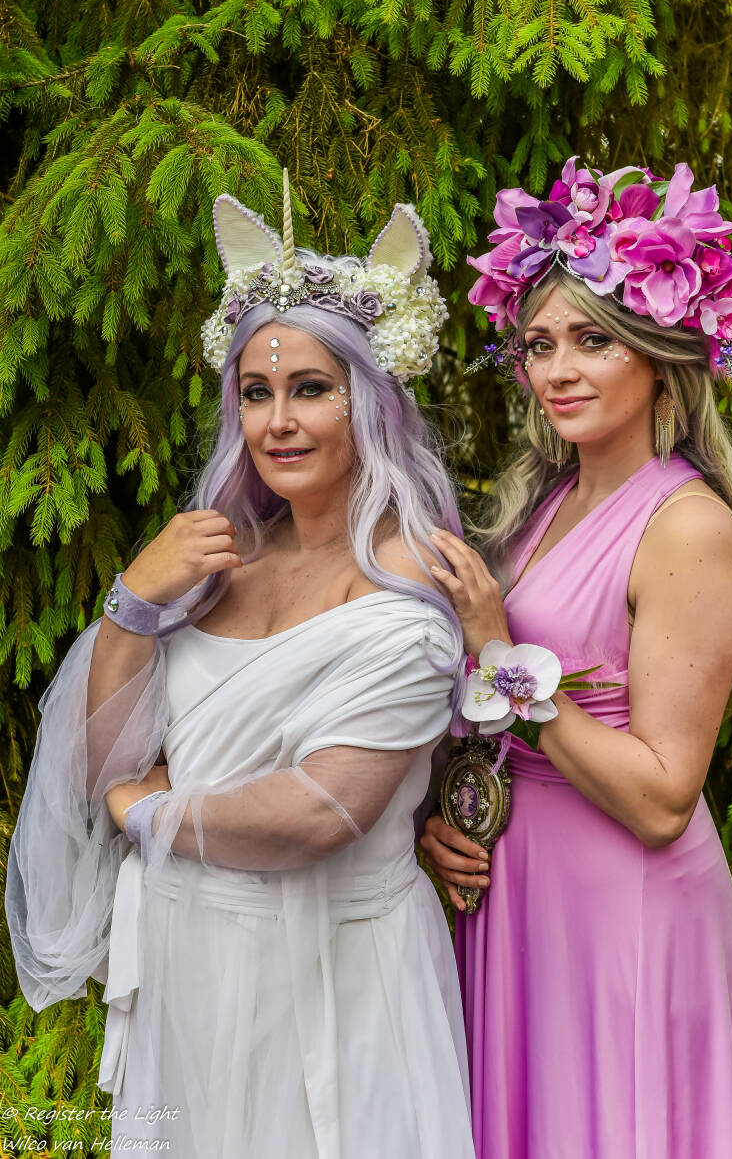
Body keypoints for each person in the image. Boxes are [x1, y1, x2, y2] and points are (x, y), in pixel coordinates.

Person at [6, 174, 475, 1158]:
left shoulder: (408, 592)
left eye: (311, 389)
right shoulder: (219, 565)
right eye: (256, 393)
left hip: (330, 972)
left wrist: (149, 815)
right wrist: (134, 604)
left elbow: (321, 812)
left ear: (371, 399)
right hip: (189, 965)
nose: (277, 423)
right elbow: (100, 766)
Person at [420, 157, 732, 1159]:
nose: (557, 370)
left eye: (592, 340)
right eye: (539, 344)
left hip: (620, 905)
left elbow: (663, 796)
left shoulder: (685, 527)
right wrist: (444, 822)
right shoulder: (544, 504)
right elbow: (498, 728)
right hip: (520, 895)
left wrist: (499, 654)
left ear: (660, 354)